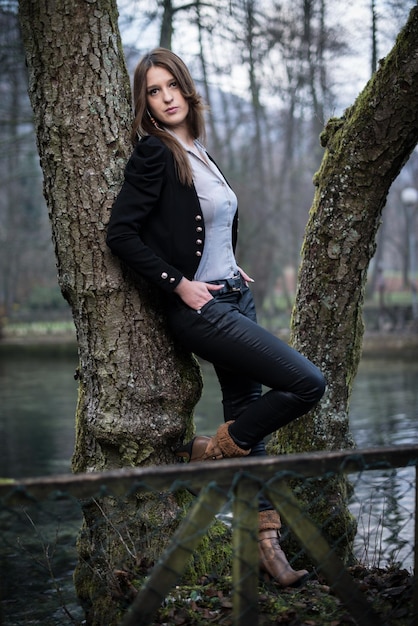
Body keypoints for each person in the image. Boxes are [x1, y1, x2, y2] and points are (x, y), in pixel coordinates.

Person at [106, 47, 326, 588]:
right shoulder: (154, 154)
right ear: (146, 104)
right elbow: (121, 234)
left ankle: (267, 549)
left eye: (170, 86)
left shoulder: (198, 149)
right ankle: (213, 450)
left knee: (252, 419)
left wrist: (231, 264)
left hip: (234, 295)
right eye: (153, 92)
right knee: (307, 383)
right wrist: (179, 284)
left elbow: (205, 222)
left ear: (186, 88)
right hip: (201, 309)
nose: (165, 98)